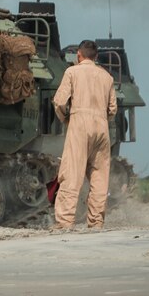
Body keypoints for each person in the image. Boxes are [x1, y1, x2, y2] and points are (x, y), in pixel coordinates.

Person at [51, 39, 118, 230]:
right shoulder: (107, 77)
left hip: (79, 123)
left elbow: (59, 102)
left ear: (79, 55)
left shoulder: (72, 72)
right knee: (99, 176)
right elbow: (113, 109)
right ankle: (96, 222)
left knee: (72, 173)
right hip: (102, 126)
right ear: (96, 57)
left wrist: (66, 119)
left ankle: (64, 222)